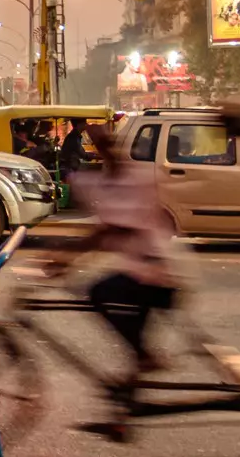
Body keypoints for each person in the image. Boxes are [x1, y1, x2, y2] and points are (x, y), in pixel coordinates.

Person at [64, 128, 180, 428]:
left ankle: (138, 371)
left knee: (98, 293)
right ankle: (123, 415)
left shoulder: (135, 180)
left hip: (154, 274)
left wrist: (65, 258)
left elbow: (114, 230)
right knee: (134, 342)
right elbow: (108, 227)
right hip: (143, 269)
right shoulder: (110, 182)